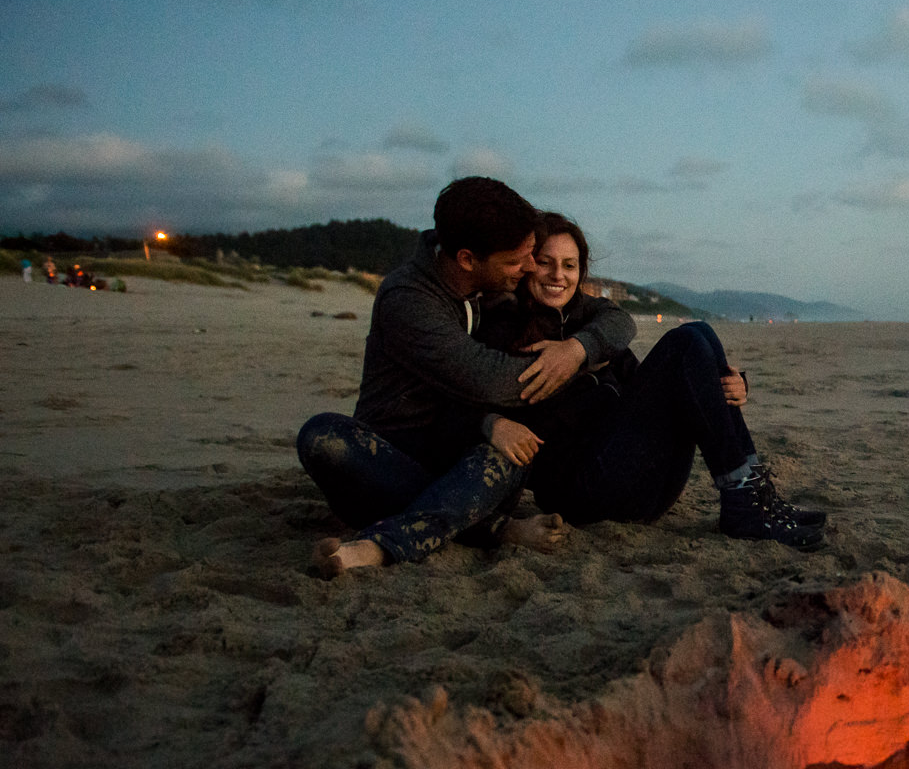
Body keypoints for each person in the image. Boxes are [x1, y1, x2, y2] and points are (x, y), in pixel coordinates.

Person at [474, 211, 826, 548]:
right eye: (545, 261)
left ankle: (753, 495)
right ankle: (743, 496)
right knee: (685, 341)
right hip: (584, 492)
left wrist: (731, 386)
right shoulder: (505, 326)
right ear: (526, 263)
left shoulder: (590, 326)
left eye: (569, 265)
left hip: (644, 480)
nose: (557, 275)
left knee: (699, 333)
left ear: (581, 272)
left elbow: (651, 387)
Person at [294, 177, 584, 577]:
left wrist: (581, 347)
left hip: (464, 456)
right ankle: (493, 529)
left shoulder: (498, 284)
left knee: (513, 449)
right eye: (519, 260)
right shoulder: (409, 300)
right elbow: (489, 380)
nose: (531, 267)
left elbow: (610, 318)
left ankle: (375, 548)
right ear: (467, 259)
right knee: (321, 435)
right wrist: (560, 370)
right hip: (389, 465)